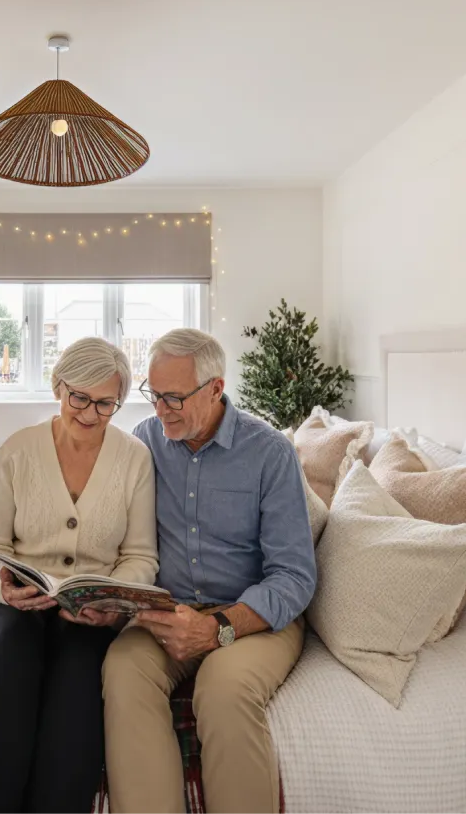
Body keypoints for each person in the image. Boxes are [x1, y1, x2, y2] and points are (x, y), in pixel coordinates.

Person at [103, 328, 316, 814]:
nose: (161, 410)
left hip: (249, 619)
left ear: (217, 388)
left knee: (223, 690)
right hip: (167, 610)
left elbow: (295, 577)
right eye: (154, 396)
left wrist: (216, 628)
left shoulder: (270, 454)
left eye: (175, 397)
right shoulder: (145, 442)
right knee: (121, 670)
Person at [0, 337, 158, 814]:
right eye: (80, 398)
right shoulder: (17, 451)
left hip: (87, 612)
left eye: (105, 403)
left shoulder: (134, 459)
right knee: (12, 653)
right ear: (58, 387)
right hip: (6, 603)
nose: (90, 413)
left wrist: (110, 601)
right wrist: (2, 588)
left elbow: (140, 556)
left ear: (119, 401)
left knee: (80, 675)